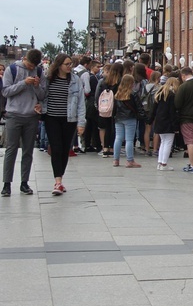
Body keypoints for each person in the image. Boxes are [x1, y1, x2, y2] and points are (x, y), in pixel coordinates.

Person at [2, 49, 46, 197]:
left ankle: (24, 182)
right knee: (11, 149)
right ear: (24, 59)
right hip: (14, 115)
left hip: (31, 116)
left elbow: (42, 94)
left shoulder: (39, 72)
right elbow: (6, 91)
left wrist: (36, 86)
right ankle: (7, 184)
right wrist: (23, 83)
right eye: (29, 65)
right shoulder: (12, 69)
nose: (31, 68)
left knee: (28, 150)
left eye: (34, 66)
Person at [41, 54, 86, 195]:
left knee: (65, 149)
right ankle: (58, 182)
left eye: (70, 64)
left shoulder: (75, 80)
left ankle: (60, 178)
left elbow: (80, 102)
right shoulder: (49, 79)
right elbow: (41, 96)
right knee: (56, 148)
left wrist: (81, 123)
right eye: (66, 64)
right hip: (51, 117)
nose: (69, 66)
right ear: (59, 64)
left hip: (69, 119)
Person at [112, 74, 144, 168]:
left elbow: (114, 108)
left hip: (119, 118)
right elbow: (139, 107)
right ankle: (130, 160)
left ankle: (116, 160)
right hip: (130, 118)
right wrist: (143, 116)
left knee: (118, 138)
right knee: (129, 140)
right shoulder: (133, 94)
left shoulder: (118, 94)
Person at [151, 77, 181, 171]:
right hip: (168, 122)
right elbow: (172, 112)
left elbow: (154, 110)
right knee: (168, 143)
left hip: (160, 121)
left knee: (163, 142)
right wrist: (175, 126)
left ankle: (160, 162)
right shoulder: (171, 95)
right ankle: (164, 164)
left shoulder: (159, 94)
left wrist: (150, 119)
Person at [95, 62, 123, 159]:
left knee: (107, 128)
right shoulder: (119, 81)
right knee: (114, 128)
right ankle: (112, 147)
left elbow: (98, 94)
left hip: (105, 106)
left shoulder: (105, 81)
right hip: (115, 107)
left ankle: (105, 148)